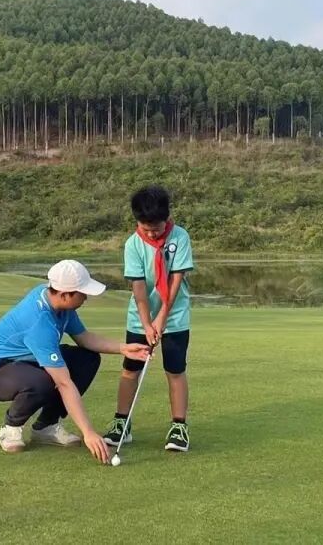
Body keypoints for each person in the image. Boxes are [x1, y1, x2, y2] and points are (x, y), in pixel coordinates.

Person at [0, 259, 150, 463]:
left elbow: (83, 338)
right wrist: (88, 432)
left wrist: (123, 348)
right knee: (43, 381)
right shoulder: (40, 322)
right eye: (82, 293)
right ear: (65, 294)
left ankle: (46, 426)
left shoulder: (60, 304)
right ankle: (11, 427)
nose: (86, 297)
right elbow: (63, 383)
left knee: (87, 358)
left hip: (29, 362)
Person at [103, 185, 194, 453]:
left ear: (167, 217)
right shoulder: (133, 243)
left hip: (175, 316)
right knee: (131, 368)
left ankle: (178, 426)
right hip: (139, 317)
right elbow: (139, 287)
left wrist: (162, 317)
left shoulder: (180, 237)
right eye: (146, 228)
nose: (152, 233)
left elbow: (176, 279)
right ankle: (122, 422)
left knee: (175, 370)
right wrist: (146, 323)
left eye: (156, 228)